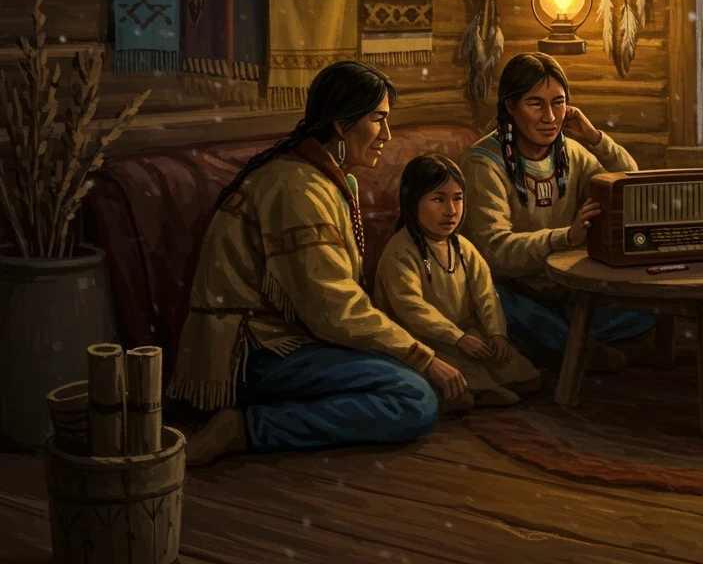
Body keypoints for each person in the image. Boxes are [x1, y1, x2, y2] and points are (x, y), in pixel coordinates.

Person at [168, 61, 468, 466]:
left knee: (416, 369)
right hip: (249, 356)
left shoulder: (323, 177)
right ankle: (247, 428)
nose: (388, 135)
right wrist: (422, 356)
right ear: (342, 125)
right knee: (413, 399)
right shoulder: (298, 188)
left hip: (288, 340)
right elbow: (333, 308)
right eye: (378, 120)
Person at [460, 52, 654, 370]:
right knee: (495, 302)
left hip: (564, 288)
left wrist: (594, 137)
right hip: (510, 288)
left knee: (644, 312)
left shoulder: (572, 153)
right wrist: (565, 237)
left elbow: (625, 182)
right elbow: (494, 251)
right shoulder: (483, 162)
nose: (550, 117)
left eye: (559, 102)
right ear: (510, 106)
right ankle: (575, 348)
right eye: (535, 104)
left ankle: (559, 340)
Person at [374, 154, 542, 410]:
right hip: (424, 341)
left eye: (457, 199)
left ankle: (479, 388)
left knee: (529, 379)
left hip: (466, 336)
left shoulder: (463, 247)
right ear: (412, 202)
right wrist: (457, 337)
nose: (451, 211)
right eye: (438, 199)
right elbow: (411, 309)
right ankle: (471, 394)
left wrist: (496, 333)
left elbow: (486, 294)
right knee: (463, 390)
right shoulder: (400, 251)